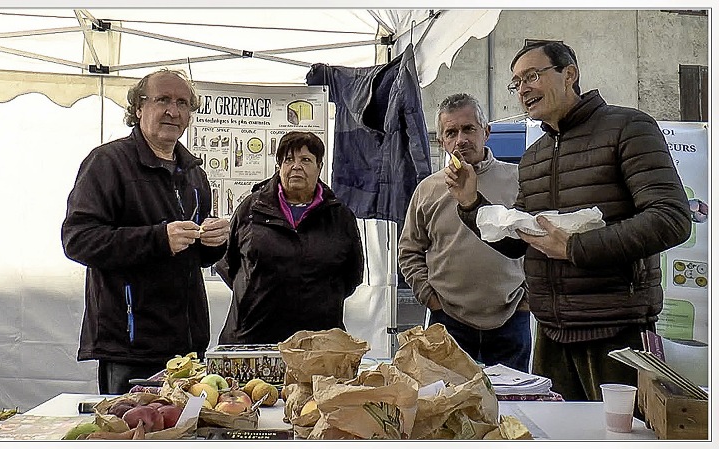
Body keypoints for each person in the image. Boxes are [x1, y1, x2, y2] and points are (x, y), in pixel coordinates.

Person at [445, 41, 691, 401]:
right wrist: (471, 203)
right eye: (516, 83)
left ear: (569, 74)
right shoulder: (533, 157)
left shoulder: (629, 127)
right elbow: (518, 242)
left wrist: (574, 248)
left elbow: (671, 219)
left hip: (616, 333)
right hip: (550, 337)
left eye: (532, 75)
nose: (523, 89)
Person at [62, 69, 230, 394]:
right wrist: (158, 238)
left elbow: (195, 257)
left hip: (186, 345)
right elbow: (78, 239)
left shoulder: (194, 174)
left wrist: (213, 243)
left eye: (183, 103)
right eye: (163, 100)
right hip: (131, 346)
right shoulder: (107, 163)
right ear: (138, 107)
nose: (173, 110)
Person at [398, 93, 530, 371]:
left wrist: (527, 300)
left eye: (469, 129)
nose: (461, 139)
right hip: (448, 322)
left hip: (511, 318)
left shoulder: (518, 180)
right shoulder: (428, 189)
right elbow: (409, 251)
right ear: (441, 141)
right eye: (451, 132)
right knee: (448, 405)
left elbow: (536, 244)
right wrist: (431, 299)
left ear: (486, 132)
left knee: (512, 408)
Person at [216, 131, 364, 345]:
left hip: (317, 341)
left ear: (319, 166)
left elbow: (352, 275)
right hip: (252, 336)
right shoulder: (251, 208)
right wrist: (255, 292)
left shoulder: (340, 216)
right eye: (288, 160)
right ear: (279, 166)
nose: (296, 166)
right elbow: (227, 264)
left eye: (305, 160)